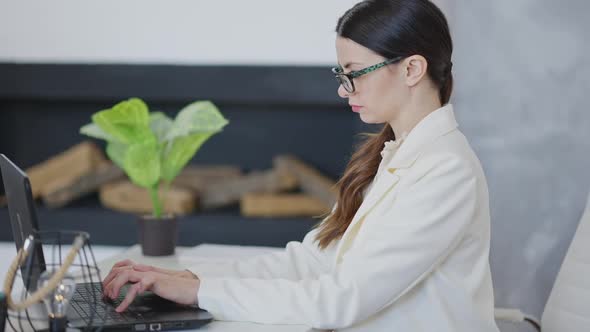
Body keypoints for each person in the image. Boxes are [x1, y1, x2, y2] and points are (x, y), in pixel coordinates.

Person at [102, 0, 500, 331]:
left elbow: (341, 300)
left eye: (355, 74)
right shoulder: (399, 154)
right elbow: (312, 260)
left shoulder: (447, 172)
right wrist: (191, 278)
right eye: (341, 75)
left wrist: (199, 293)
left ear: (412, 69)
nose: (344, 89)